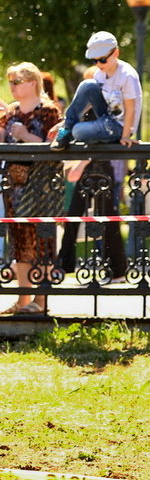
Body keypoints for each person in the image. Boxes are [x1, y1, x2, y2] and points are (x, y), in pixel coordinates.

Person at [1, 63, 63, 314]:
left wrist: (25, 135)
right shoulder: (12, 111)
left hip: (42, 185)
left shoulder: (48, 111)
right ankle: (23, 300)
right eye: (10, 82)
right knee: (20, 242)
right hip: (15, 185)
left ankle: (41, 300)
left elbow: (55, 148)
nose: (12, 87)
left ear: (32, 82)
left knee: (42, 241)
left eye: (17, 81)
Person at [50, 31, 140, 150]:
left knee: (78, 130)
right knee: (88, 85)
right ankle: (66, 130)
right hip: (106, 117)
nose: (98, 64)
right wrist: (64, 123)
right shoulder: (99, 74)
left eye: (102, 60)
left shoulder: (127, 75)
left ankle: (75, 132)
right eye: (94, 60)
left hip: (120, 126)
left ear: (116, 53)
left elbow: (131, 109)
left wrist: (126, 136)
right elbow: (87, 102)